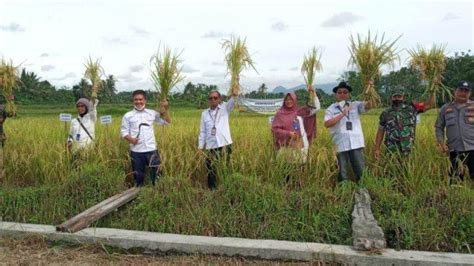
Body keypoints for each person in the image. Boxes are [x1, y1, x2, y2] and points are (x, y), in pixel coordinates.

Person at [324, 81, 373, 183]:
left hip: (356, 143)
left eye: (345, 92)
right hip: (340, 144)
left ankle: (364, 189)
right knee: (342, 171)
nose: (342, 94)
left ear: (349, 94)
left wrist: (370, 89)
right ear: (335, 94)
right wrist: (343, 114)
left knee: (361, 170)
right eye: (339, 92)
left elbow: (369, 106)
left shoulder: (355, 105)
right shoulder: (331, 109)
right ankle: (344, 191)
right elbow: (327, 124)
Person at [121, 90, 171, 186]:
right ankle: (139, 194)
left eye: (141, 99)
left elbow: (167, 122)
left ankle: (155, 193)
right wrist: (131, 139)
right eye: (136, 99)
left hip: (151, 150)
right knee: (138, 178)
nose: (138, 102)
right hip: (136, 151)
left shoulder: (152, 113)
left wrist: (165, 108)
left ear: (145, 100)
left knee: (157, 177)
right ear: (133, 101)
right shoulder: (128, 116)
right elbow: (124, 132)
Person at [374, 88, 435, 160]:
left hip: (408, 149)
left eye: (399, 97)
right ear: (391, 98)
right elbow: (380, 131)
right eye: (395, 97)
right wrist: (377, 148)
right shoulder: (385, 113)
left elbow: (429, 105)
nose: (397, 99)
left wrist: (432, 91)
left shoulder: (412, 109)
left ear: (403, 97)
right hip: (391, 150)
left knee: (408, 170)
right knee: (391, 170)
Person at [435, 81, 474, 182]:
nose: (463, 93)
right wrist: (441, 143)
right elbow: (439, 127)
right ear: (454, 91)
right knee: (455, 180)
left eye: (466, 91)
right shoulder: (445, 108)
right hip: (454, 150)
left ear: (470, 93)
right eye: (461, 90)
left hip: (472, 148)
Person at [198, 90, 236, 190]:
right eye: (210, 98)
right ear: (208, 100)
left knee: (225, 168)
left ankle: (226, 189)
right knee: (211, 170)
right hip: (211, 146)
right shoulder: (204, 114)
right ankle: (212, 191)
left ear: (219, 99)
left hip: (225, 145)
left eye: (215, 98)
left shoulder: (225, 109)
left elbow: (232, 101)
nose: (213, 100)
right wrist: (200, 147)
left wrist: (235, 90)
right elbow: (202, 131)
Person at [271, 88, 321, 164]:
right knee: (286, 169)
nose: (289, 101)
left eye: (291, 99)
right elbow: (275, 129)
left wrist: (313, 93)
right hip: (286, 148)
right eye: (287, 100)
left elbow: (316, 108)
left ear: (295, 100)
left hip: (301, 145)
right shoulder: (280, 114)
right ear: (284, 101)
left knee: (300, 168)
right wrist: (288, 133)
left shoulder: (300, 112)